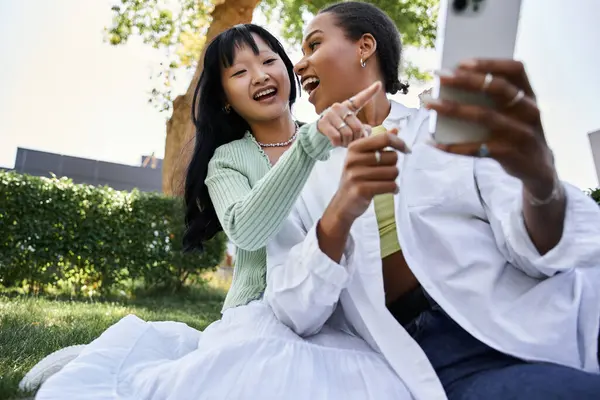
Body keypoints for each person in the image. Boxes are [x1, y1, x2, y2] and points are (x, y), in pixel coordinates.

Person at [28, 24, 418, 400]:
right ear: (226, 97)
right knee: (273, 376)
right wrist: (307, 147)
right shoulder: (229, 161)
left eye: (268, 61)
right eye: (240, 72)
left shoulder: (329, 134)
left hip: (335, 308)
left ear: (287, 68)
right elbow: (248, 231)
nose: (260, 76)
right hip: (261, 313)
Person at [266, 2, 600, 399]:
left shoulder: (445, 130)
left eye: (313, 45)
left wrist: (541, 182)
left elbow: (537, 250)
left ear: (364, 47)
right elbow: (293, 310)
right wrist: (339, 213)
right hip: (440, 357)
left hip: (541, 313)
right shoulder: (298, 174)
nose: (299, 65)